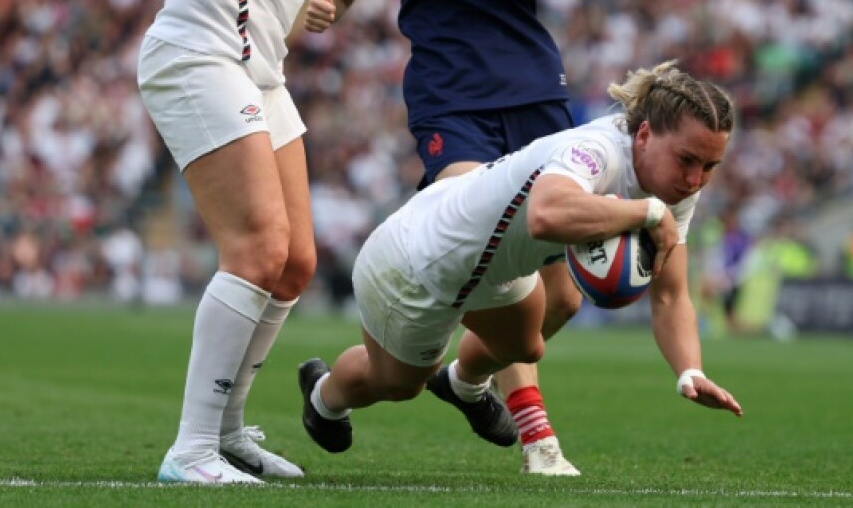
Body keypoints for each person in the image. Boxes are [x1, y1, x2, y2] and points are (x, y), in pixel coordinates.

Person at [138, 0, 433, 487]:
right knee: (258, 253)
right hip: (199, 55)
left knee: (296, 262)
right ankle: (191, 449)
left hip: (257, 69)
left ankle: (229, 433)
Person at [304, 0, 593, 476]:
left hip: (535, 101)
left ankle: (464, 381)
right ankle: (539, 439)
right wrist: (309, 3)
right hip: (450, 108)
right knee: (496, 244)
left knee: (558, 304)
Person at [298, 61, 744, 471]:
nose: (695, 180)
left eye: (710, 166)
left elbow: (669, 295)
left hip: (492, 272)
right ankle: (324, 397)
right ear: (644, 135)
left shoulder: (674, 187)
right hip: (417, 265)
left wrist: (691, 371)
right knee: (397, 384)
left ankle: (463, 384)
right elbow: (545, 214)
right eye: (688, 160)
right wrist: (646, 213)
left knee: (527, 345)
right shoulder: (598, 149)